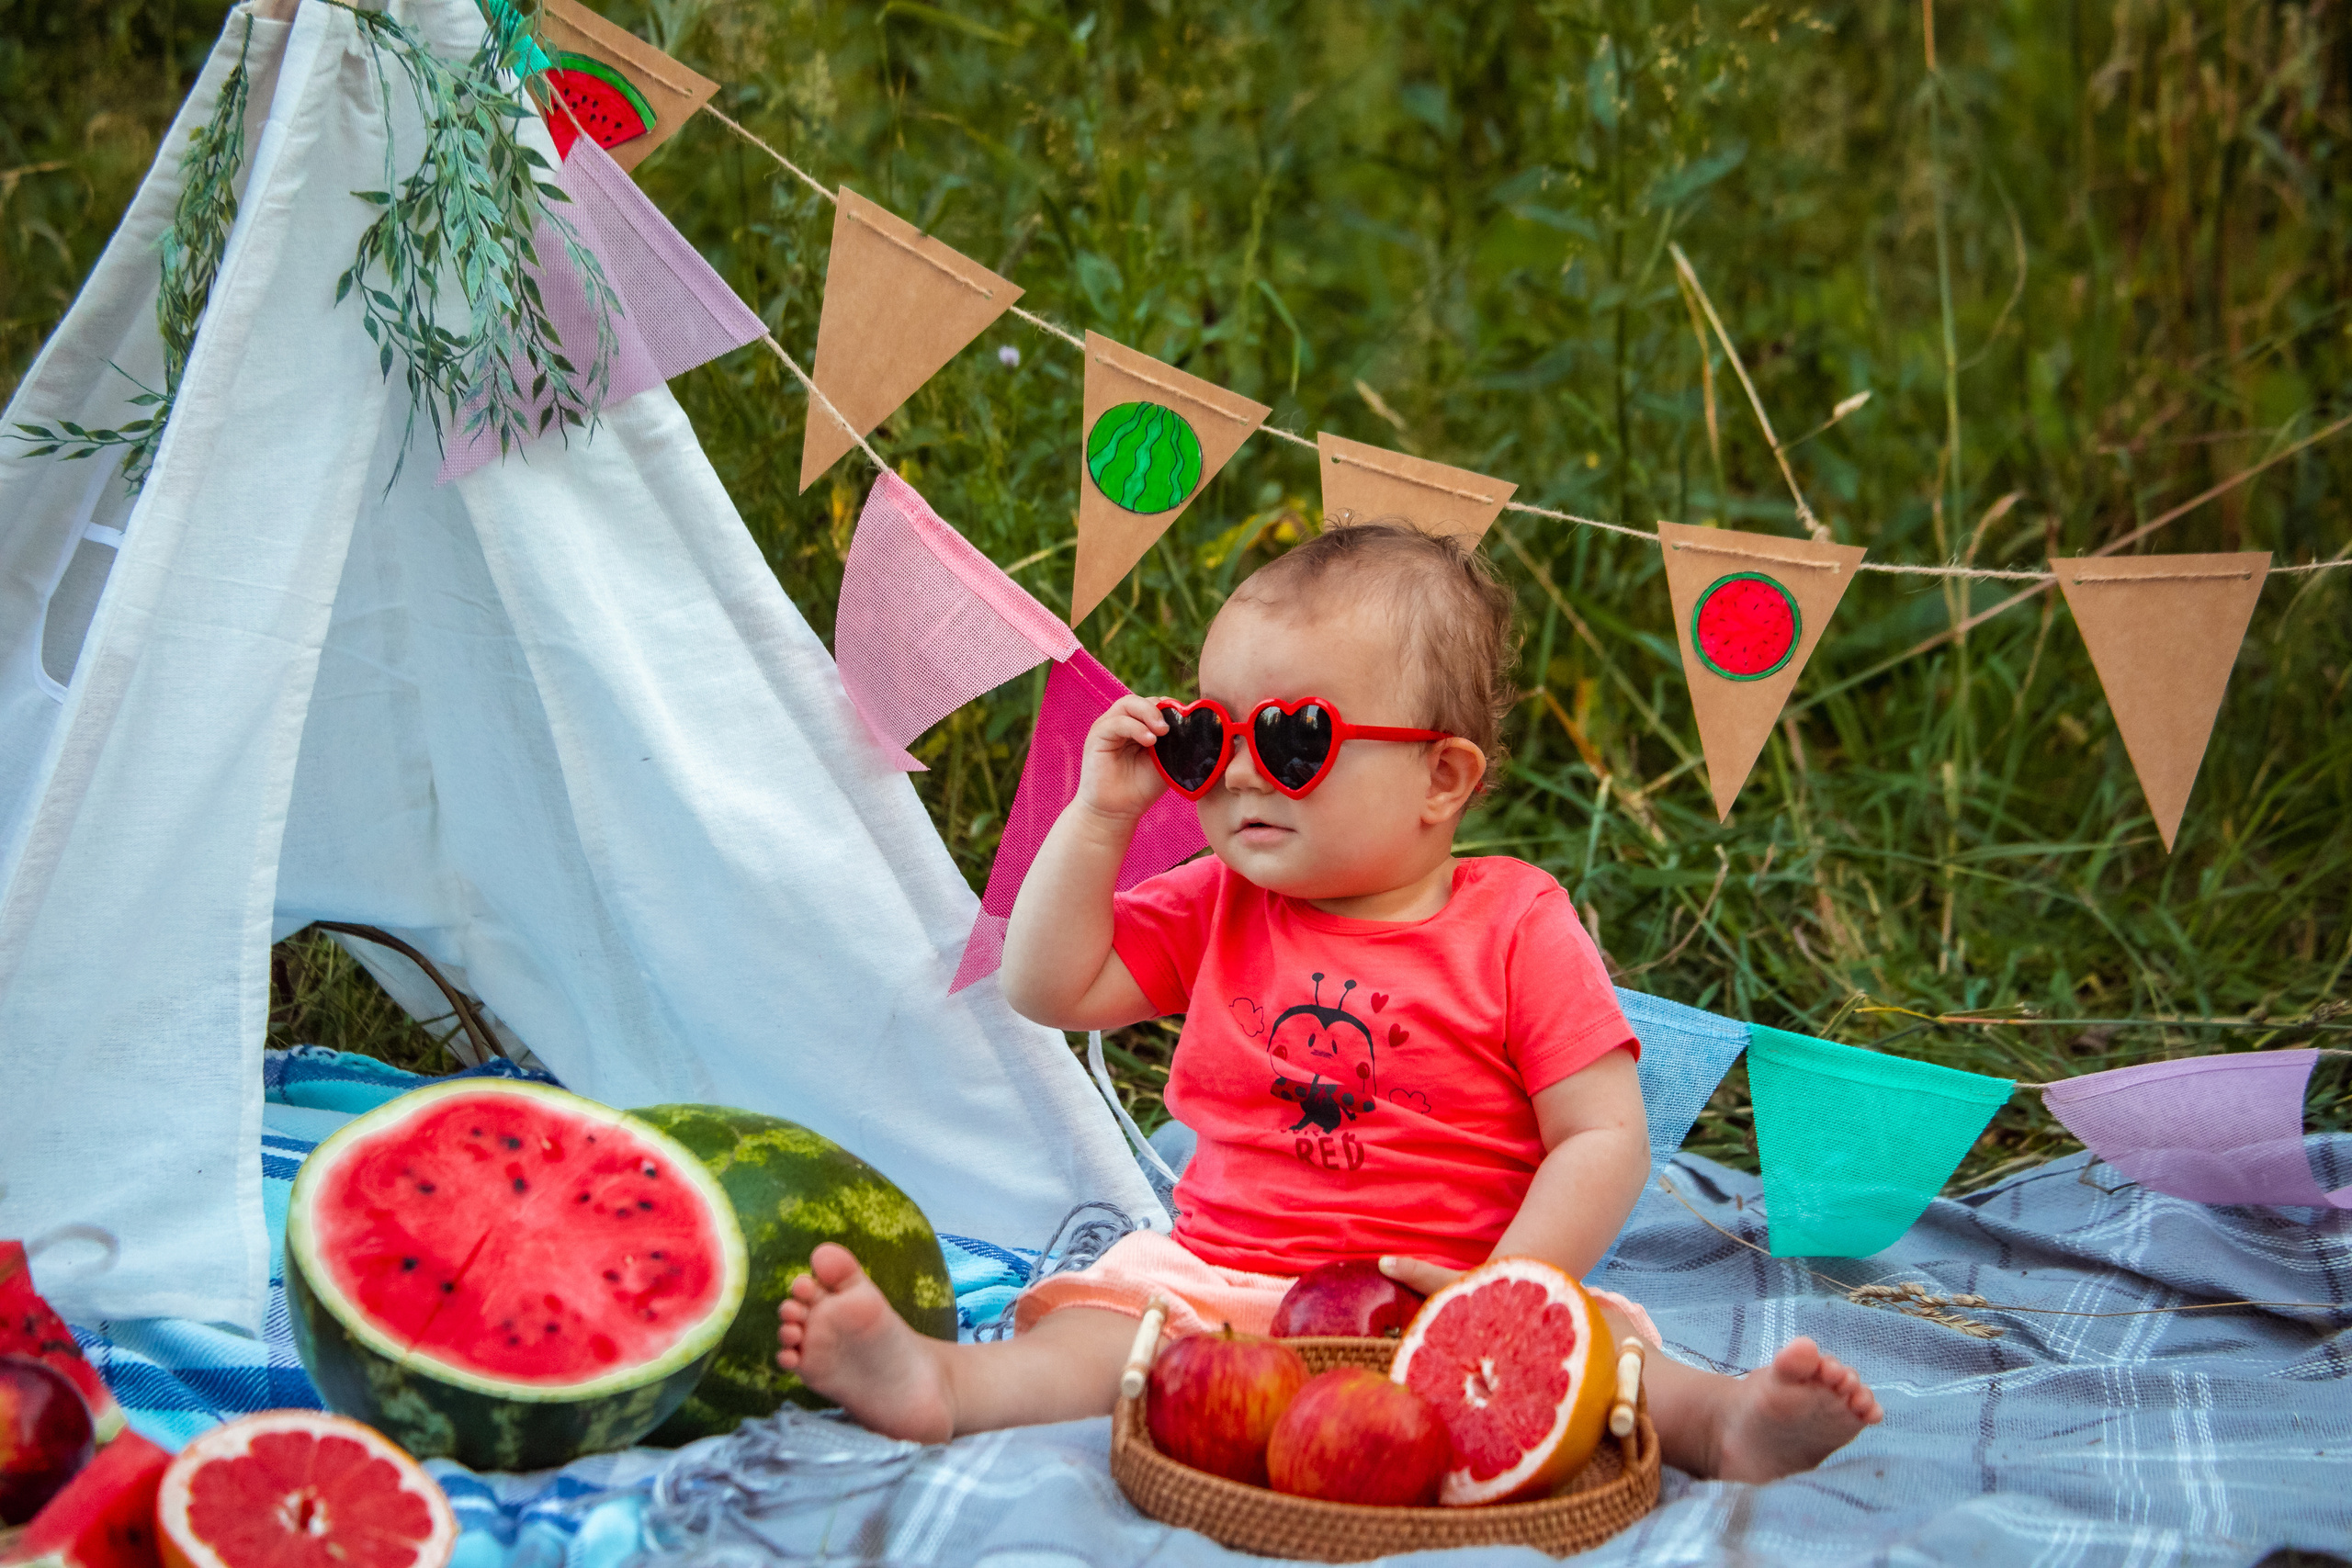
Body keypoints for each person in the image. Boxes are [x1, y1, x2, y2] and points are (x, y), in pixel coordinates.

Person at [778, 522, 1882, 1482]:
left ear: (1442, 780)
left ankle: (1724, 1425)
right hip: (1224, 1284)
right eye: (1211, 739)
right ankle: (947, 1386)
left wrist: (1506, 1289)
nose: (1243, 776)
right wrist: (1101, 817)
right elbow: (1048, 987)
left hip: (1443, 1296)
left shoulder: (1514, 922)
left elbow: (1600, 1135)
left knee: (1611, 1360)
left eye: (1296, 741)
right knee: (1104, 1336)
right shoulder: (1222, 901)